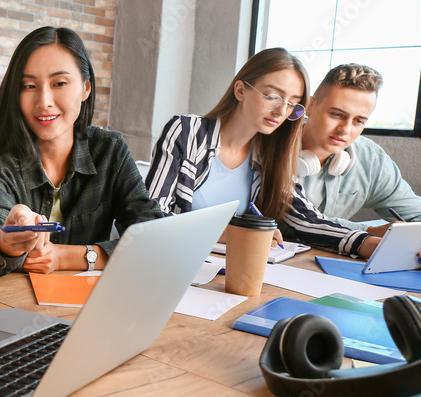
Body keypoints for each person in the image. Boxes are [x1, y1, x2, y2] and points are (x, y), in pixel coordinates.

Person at [0, 26, 162, 276]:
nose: (44, 101)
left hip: (92, 305)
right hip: (10, 307)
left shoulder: (109, 150)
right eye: (29, 86)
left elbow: (151, 235)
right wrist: (7, 243)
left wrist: (67, 257)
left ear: (86, 88)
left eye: (59, 83)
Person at [145, 47, 381, 258]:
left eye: (292, 104)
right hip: (173, 264)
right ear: (240, 90)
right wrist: (233, 233)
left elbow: (307, 221)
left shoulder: (270, 154)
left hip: (231, 270)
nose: (281, 111)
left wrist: (372, 245)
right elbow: (149, 217)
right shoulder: (187, 131)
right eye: (272, 97)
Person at [299, 63, 421, 233]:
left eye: (358, 121)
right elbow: (291, 221)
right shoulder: (273, 146)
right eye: (337, 114)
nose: (345, 129)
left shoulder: (371, 159)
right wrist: (369, 230)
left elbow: (416, 213)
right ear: (310, 106)